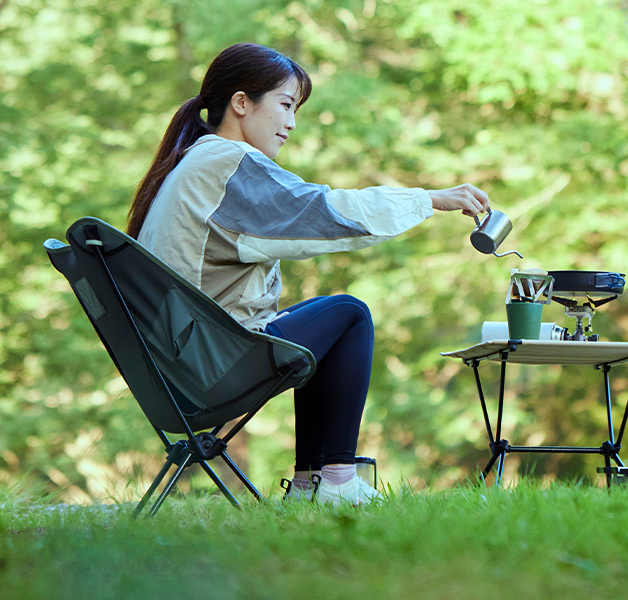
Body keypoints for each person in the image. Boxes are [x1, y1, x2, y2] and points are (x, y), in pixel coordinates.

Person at [126, 42, 490, 506]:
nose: (291, 123)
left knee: (326, 321)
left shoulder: (194, 162)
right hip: (209, 363)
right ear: (241, 103)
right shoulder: (227, 164)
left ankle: (310, 484)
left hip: (181, 362)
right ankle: (335, 479)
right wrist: (428, 199)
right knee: (348, 313)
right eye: (284, 105)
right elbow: (324, 211)